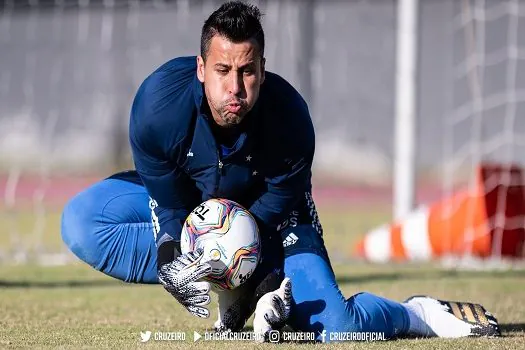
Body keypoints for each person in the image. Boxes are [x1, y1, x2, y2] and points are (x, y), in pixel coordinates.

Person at [61, 1, 500, 342]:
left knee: (342, 331)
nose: (235, 87)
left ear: (262, 70)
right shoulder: (156, 109)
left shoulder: (290, 122)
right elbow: (169, 207)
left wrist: (257, 274)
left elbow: (272, 215)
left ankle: (415, 313)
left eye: (247, 71)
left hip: (273, 220)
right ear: (200, 69)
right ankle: (237, 296)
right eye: (222, 70)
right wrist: (170, 256)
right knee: (81, 222)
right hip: (193, 205)